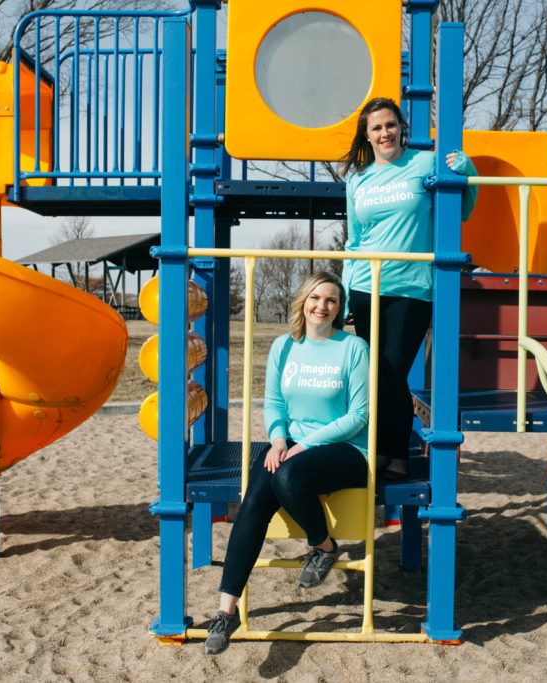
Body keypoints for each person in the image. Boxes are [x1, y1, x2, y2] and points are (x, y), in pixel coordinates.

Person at [205, 271, 370, 655]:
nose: (322, 306)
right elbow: (275, 404)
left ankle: (324, 546)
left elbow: (358, 415)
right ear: (303, 302)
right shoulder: (285, 345)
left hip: (344, 448)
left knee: (289, 474)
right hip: (291, 442)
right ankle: (224, 612)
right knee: (255, 495)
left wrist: (304, 445)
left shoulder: (353, 348)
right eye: (315, 298)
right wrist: (279, 439)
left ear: (339, 307)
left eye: (330, 300)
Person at [340, 97, 478, 480]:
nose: (385, 133)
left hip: (412, 286)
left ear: (401, 127)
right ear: (366, 136)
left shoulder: (425, 162)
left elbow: (462, 210)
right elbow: (355, 240)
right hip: (367, 285)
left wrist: (468, 173)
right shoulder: (357, 179)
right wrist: (348, 288)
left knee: (391, 371)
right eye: (376, 128)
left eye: (390, 125)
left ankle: (393, 452)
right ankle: (384, 452)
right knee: (373, 373)